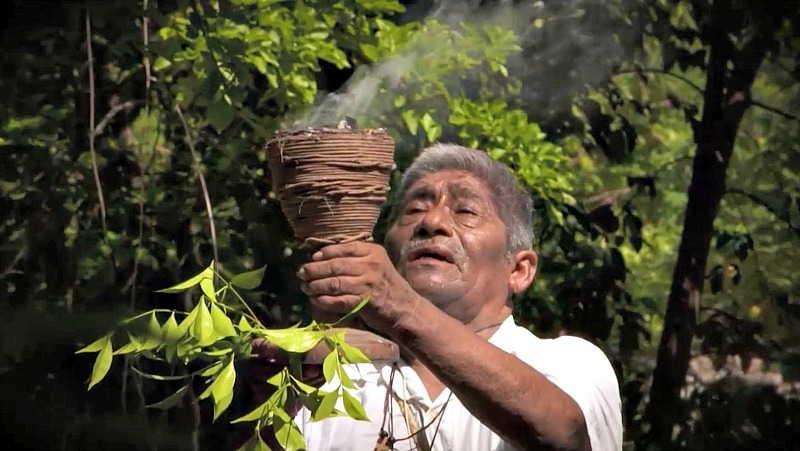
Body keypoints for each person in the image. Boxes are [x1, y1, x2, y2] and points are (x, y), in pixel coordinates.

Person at [286, 143, 622, 450]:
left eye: (466, 212)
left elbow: (563, 434)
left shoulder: (565, 362)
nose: (431, 221)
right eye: (415, 209)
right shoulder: (339, 381)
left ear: (518, 271)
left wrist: (402, 308)